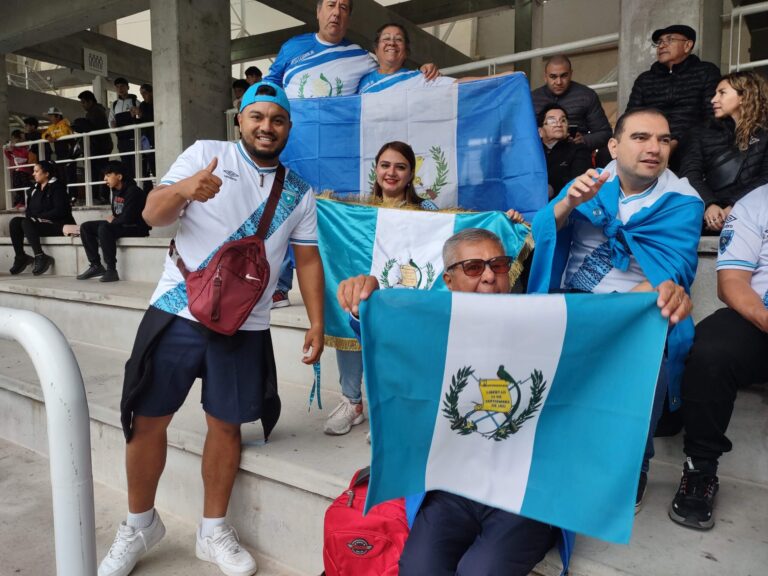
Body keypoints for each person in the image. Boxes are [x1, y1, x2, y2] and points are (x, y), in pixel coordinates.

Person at [337, 227, 692, 574]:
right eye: (474, 267)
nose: (490, 276)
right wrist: (363, 305)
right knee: (418, 568)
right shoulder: (433, 329)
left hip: (529, 493)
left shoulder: (547, 322)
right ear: (448, 280)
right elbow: (386, 336)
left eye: (499, 265)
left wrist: (662, 307)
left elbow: (611, 331)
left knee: (481, 570)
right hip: (452, 487)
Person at [98, 81, 324, 576]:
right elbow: (152, 215)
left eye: (278, 119)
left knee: (226, 424)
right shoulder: (207, 154)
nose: (267, 126)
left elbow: (307, 261)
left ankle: (212, 529)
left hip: (246, 323)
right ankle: (139, 524)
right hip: (177, 309)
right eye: (257, 117)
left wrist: (317, 321)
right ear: (240, 120)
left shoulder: (300, 193)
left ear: (288, 127)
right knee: (148, 419)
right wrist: (182, 189)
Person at [528, 108, 702, 511]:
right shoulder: (590, 184)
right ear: (613, 146)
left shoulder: (682, 200)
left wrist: (606, 319)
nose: (654, 148)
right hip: (571, 300)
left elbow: (671, 275)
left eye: (663, 139)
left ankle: (632, 464)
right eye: (641, 137)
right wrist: (568, 203)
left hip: (635, 310)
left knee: (648, 345)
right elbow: (540, 233)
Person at [668, 182, 768, 530]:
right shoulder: (757, 203)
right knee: (710, 350)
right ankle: (701, 469)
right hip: (760, 318)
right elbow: (732, 284)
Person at [324, 141, 438, 436]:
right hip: (366, 297)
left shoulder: (430, 211)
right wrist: (322, 209)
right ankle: (353, 403)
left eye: (400, 167)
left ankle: (391, 409)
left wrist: (507, 221)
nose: (391, 172)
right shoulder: (358, 212)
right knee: (348, 317)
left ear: (411, 174)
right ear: (376, 170)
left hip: (406, 297)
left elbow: (454, 238)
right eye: (385, 165)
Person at [679, 71, 768, 234]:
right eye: (715, 93)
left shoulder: (765, 134)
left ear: (743, 96)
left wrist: (734, 206)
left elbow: (765, 178)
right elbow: (690, 174)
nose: (713, 100)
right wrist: (709, 204)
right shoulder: (700, 133)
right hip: (705, 218)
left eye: (722, 93)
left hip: (753, 218)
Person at [627, 24, 721, 170]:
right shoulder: (645, 79)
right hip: (650, 140)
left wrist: (676, 140)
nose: (662, 46)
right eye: (659, 42)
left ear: (687, 45)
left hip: (691, 141)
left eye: (669, 40)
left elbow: (713, 115)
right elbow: (631, 117)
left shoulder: (706, 72)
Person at [76, 161, 151, 283]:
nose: (105, 178)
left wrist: (112, 221)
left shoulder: (133, 191)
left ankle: (111, 270)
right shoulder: (115, 190)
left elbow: (128, 217)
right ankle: (96, 265)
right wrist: (112, 220)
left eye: (108, 175)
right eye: (105, 175)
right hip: (122, 224)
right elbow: (118, 214)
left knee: (104, 228)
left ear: (119, 177)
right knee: (86, 227)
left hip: (136, 227)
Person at [530, 55, 612, 151]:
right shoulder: (533, 99)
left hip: (577, 153)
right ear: (545, 77)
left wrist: (583, 140)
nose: (558, 82)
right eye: (553, 77)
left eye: (564, 76)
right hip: (541, 154)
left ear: (571, 74)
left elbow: (605, 133)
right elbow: (522, 134)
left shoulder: (586, 96)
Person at [8, 160, 75, 276]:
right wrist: (35, 218)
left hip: (58, 225)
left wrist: (38, 217)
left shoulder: (58, 187)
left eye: (36, 171)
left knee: (26, 222)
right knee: (15, 222)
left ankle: (40, 256)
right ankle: (20, 257)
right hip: (38, 223)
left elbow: (60, 210)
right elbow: (29, 211)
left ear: (46, 174)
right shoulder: (34, 189)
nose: (33, 174)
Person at [538, 104, 592, 199]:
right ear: (540, 131)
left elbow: (578, 182)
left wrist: (553, 188)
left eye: (563, 120)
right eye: (552, 121)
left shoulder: (579, 150)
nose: (558, 124)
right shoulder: (533, 153)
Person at [78, 89, 114, 200]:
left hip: (99, 147)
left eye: (84, 102)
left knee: (97, 172)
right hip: (99, 146)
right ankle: (99, 196)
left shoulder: (95, 112)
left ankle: (98, 196)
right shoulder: (97, 110)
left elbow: (93, 129)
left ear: (90, 101)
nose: (83, 105)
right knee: (98, 172)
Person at [110, 77, 139, 178]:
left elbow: (141, 117)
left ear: (128, 87)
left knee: (137, 167)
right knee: (126, 168)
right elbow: (110, 121)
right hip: (121, 141)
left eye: (122, 86)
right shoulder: (114, 105)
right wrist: (112, 124)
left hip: (134, 140)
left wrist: (136, 114)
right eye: (117, 87)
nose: (120, 89)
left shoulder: (135, 102)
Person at [4, 130, 37, 206]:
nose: (13, 141)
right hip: (16, 170)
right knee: (17, 186)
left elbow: (24, 155)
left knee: (25, 185)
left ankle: (28, 201)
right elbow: (9, 157)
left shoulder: (25, 146)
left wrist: (14, 149)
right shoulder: (14, 149)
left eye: (15, 139)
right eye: (12, 139)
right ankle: (21, 202)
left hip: (25, 170)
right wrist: (7, 149)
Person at [133, 83, 155, 186]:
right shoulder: (142, 105)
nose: (143, 96)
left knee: (156, 167)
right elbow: (141, 121)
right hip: (146, 140)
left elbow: (155, 118)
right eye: (141, 94)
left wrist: (141, 114)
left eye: (145, 93)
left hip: (157, 138)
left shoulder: (158, 102)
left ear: (151, 92)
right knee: (147, 167)